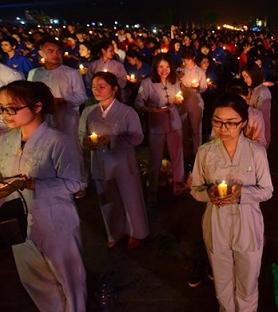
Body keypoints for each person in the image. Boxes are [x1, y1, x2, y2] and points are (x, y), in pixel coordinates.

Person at [0, 80, 86, 312]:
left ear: (37, 106)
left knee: (67, 273)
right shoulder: (6, 140)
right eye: (1, 108)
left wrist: (35, 186)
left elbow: (75, 183)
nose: (5, 114)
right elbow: (2, 174)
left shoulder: (58, 141)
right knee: (32, 274)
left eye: (12, 108)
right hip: (16, 216)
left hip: (54, 216)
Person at [190, 94, 273, 312]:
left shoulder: (256, 152)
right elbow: (196, 190)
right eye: (217, 122)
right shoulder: (205, 152)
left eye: (230, 122)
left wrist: (242, 195)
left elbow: (267, 190)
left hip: (247, 222)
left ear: (243, 123)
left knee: (248, 275)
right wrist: (209, 195)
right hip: (216, 221)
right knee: (222, 273)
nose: (223, 128)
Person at [79, 72, 148, 250]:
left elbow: (138, 137)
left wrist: (112, 140)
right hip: (100, 163)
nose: (97, 90)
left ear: (114, 88)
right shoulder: (88, 112)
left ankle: (136, 232)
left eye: (102, 87)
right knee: (108, 200)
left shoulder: (126, 112)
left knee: (130, 198)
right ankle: (115, 232)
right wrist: (86, 142)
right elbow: (81, 135)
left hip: (123, 162)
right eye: (94, 87)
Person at [28, 38, 88, 196]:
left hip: (67, 118)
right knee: (48, 150)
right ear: (41, 53)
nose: (55, 55)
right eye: (50, 51)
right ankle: (54, 182)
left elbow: (81, 96)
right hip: (44, 119)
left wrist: (64, 101)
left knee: (72, 149)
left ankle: (79, 182)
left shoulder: (71, 73)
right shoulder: (35, 74)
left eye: (58, 51)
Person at [135, 53, 186, 202]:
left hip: (174, 122)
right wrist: (151, 110)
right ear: (155, 67)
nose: (165, 70)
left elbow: (179, 96)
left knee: (177, 155)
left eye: (167, 67)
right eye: (161, 67)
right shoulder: (147, 83)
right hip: (156, 124)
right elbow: (138, 103)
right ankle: (153, 190)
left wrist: (178, 99)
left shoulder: (174, 81)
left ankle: (178, 183)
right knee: (155, 157)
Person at [179, 47, 207, 159]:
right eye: (184, 59)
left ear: (193, 58)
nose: (185, 62)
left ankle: (197, 153)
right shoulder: (180, 70)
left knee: (196, 129)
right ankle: (184, 153)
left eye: (188, 59)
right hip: (183, 101)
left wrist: (198, 87)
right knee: (183, 129)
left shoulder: (199, 71)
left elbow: (204, 87)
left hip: (196, 100)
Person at [241, 62, 272, 148]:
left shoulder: (263, 92)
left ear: (254, 75)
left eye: (246, 77)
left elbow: (260, 114)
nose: (245, 80)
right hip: (249, 132)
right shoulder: (251, 90)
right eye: (243, 77)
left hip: (259, 133)